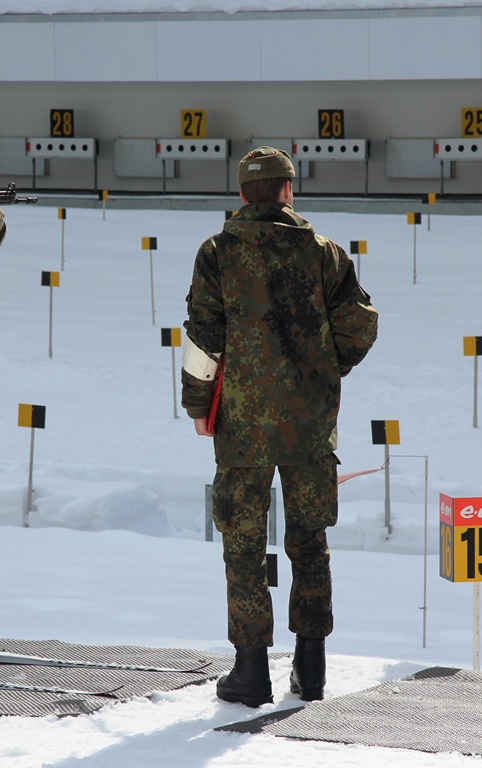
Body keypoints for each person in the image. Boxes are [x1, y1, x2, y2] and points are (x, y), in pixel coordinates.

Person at [181, 146, 378, 707]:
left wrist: (198, 408)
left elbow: (204, 338)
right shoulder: (325, 253)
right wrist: (324, 370)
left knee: (243, 544)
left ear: (243, 194)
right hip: (310, 426)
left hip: (240, 427)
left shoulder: (217, 253)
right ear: (289, 190)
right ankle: (311, 670)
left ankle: (250, 673)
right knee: (309, 542)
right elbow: (361, 326)